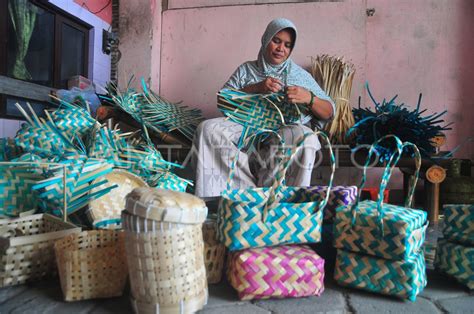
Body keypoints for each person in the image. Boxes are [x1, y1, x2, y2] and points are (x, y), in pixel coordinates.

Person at [192, 18, 335, 200]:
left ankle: (283, 200)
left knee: (305, 138)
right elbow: (223, 99)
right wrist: (256, 88)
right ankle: (237, 193)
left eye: (287, 45)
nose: (280, 48)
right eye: (276, 41)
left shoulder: (298, 75)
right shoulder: (247, 70)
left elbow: (329, 111)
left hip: (283, 128)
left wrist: (309, 98)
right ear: (266, 39)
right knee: (208, 129)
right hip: (245, 126)